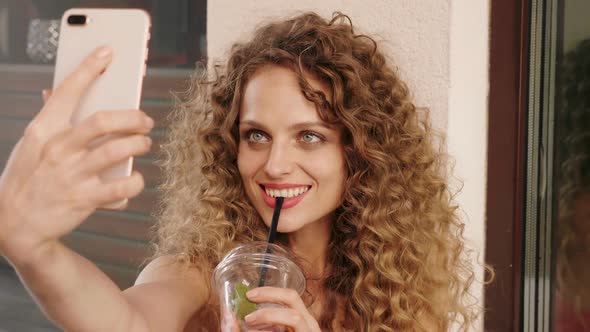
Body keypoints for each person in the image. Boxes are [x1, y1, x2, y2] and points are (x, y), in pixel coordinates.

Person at [0, 12, 479, 331]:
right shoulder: (202, 272)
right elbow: (128, 322)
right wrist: (34, 250)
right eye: (256, 135)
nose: (274, 164)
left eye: (308, 136)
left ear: (359, 153)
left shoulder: (395, 285)